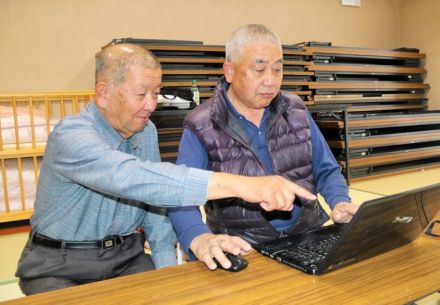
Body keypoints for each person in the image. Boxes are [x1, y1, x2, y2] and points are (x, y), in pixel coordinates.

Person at [15, 43, 317, 295]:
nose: (151, 105)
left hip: (127, 259)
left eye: (156, 93)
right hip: (59, 266)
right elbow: (133, 178)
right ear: (104, 94)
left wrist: (172, 274)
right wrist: (242, 184)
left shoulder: (145, 132)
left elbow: (156, 208)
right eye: (141, 93)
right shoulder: (71, 136)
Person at [168, 24, 359, 269]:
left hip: (307, 237)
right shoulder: (201, 123)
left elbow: (327, 170)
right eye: (259, 69)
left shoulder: (296, 109)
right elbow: (181, 194)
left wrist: (340, 202)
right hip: (244, 250)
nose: (270, 81)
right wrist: (199, 237)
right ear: (229, 71)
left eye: (278, 69)